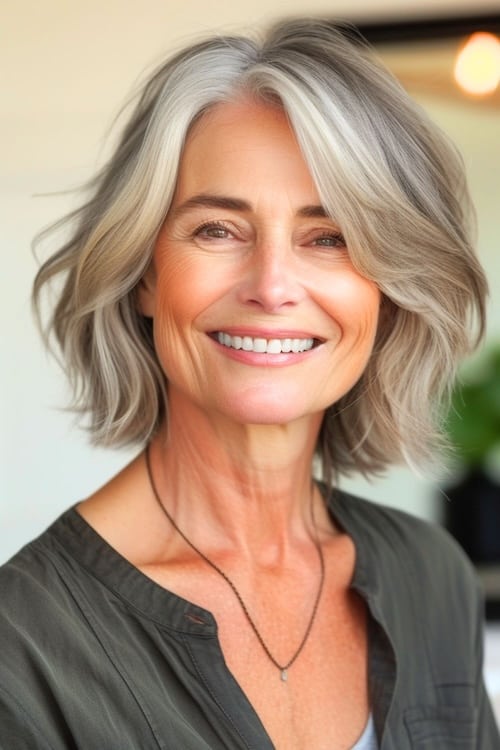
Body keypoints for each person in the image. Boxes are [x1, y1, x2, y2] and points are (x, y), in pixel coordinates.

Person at [0, 18, 498, 750]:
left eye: (329, 237)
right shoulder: (25, 644)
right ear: (144, 272)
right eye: (217, 230)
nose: (272, 286)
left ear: (387, 289)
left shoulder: (433, 577)